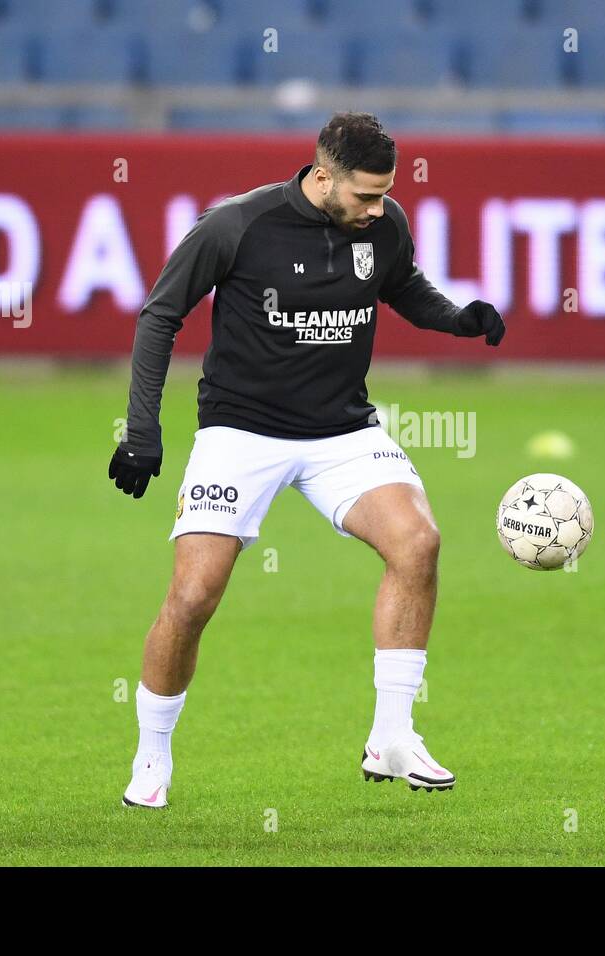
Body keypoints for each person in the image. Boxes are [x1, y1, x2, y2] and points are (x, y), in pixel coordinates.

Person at [110, 112, 505, 807]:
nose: (377, 209)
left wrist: (457, 318)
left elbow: (401, 283)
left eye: (385, 195)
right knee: (194, 594)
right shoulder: (236, 225)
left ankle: (391, 737)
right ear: (322, 177)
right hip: (242, 432)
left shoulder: (383, 225)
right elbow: (159, 315)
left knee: (418, 543)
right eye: (364, 196)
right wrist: (142, 431)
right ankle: (151, 756)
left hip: (341, 431)